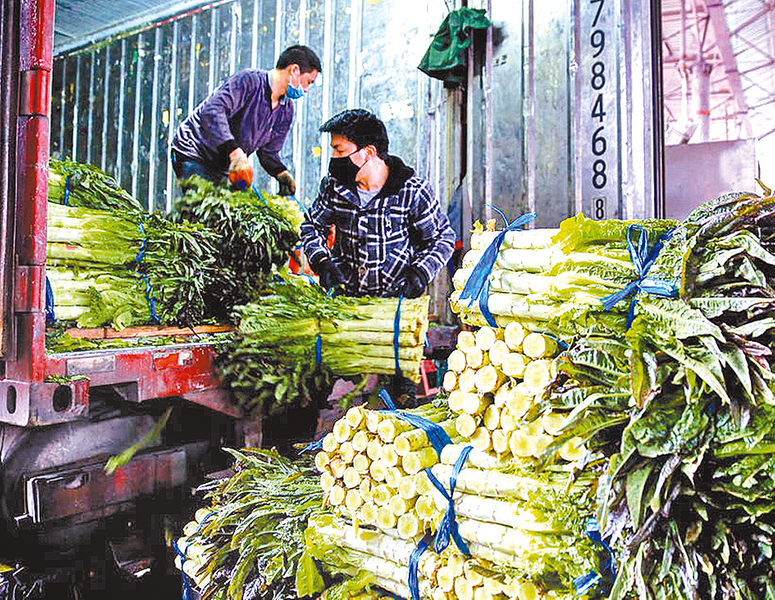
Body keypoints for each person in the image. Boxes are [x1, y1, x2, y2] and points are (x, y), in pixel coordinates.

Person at [301, 109, 456, 299]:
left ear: (368, 152)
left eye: (339, 150)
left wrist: (421, 272)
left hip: (395, 301)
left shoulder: (411, 191)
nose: (334, 157)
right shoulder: (333, 187)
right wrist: (321, 260)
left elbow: (442, 238)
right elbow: (312, 226)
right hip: (344, 301)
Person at [170, 45, 321, 194]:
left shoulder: (286, 110)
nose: (306, 90)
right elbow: (212, 112)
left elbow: (268, 153)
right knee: (201, 202)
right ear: (294, 70)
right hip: (194, 151)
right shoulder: (249, 81)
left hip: (224, 165)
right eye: (308, 82)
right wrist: (235, 153)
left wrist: (280, 172)